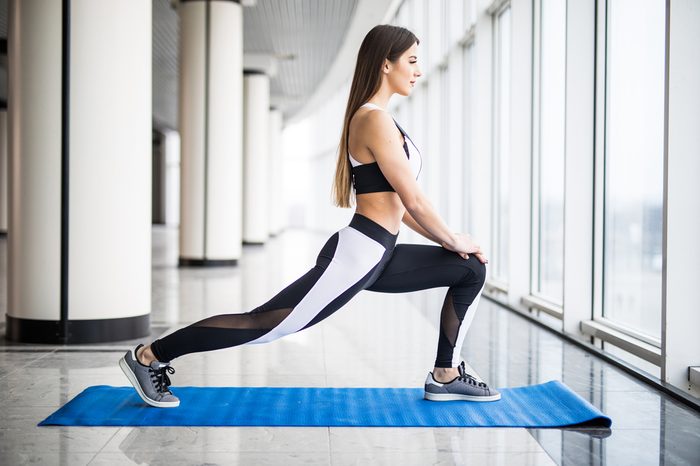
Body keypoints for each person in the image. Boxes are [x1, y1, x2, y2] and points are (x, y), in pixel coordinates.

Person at [119, 24, 500, 408]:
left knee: (469, 269)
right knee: (263, 325)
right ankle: (148, 356)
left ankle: (445, 375)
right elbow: (414, 199)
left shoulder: (384, 119)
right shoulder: (373, 120)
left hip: (379, 252)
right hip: (359, 254)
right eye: (412, 61)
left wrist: (454, 247)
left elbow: (402, 207)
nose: (418, 71)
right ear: (386, 64)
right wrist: (453, 239)